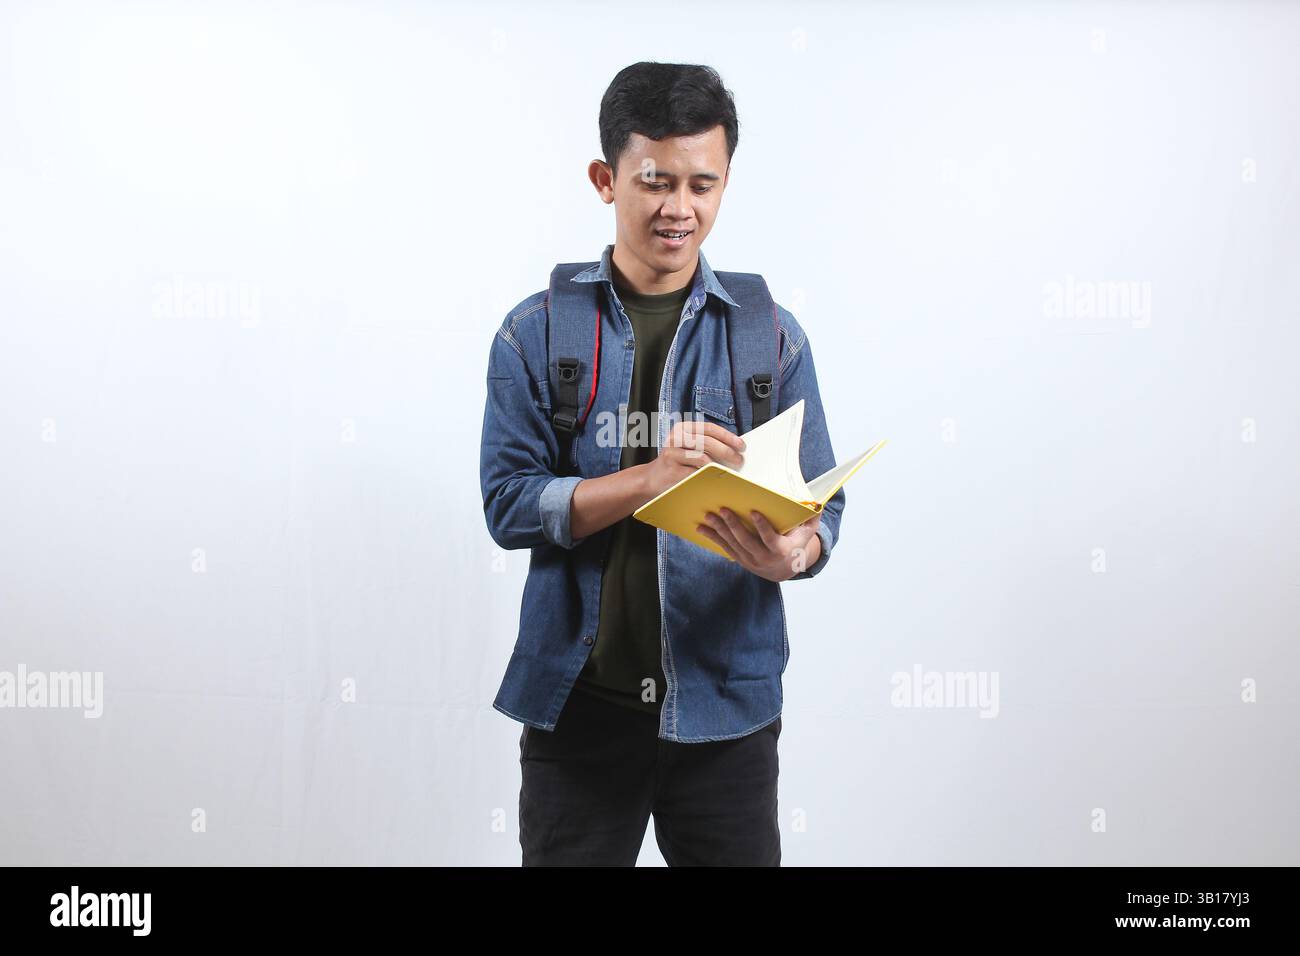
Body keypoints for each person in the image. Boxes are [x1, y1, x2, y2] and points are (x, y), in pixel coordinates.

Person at [479, 61, 847, 866]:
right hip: (580, 711)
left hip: (727, 711)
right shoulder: (535, 332)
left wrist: (798, 551)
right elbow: (508, 505)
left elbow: (824, 507)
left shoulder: (770, 337)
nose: (679, 208)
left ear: (724, 184)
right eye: (655, 182)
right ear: (606, 180)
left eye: (702, 184)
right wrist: (649, 480)